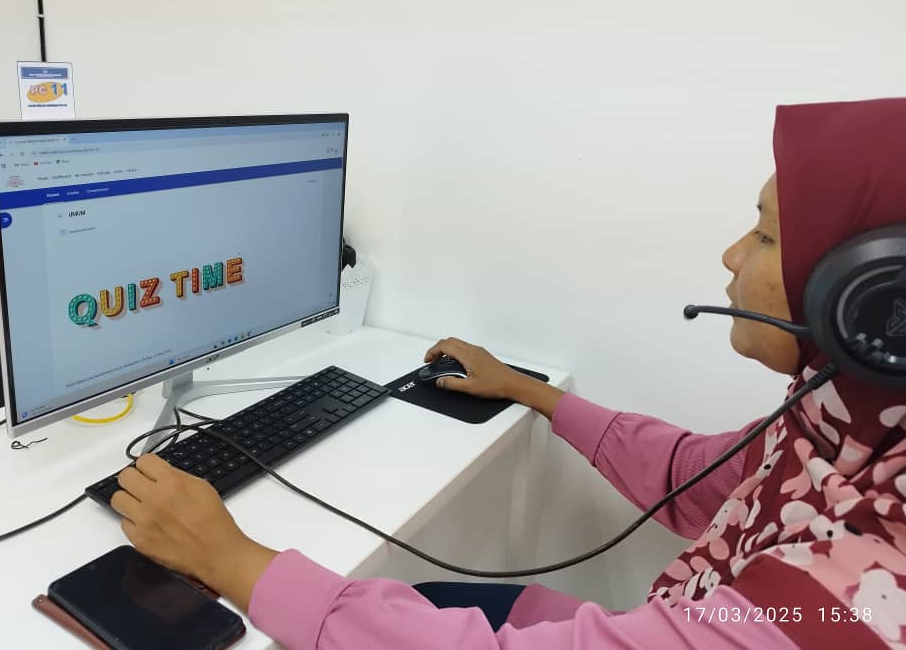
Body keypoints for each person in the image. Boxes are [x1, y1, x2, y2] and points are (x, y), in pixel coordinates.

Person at [111, 98, 906, 649]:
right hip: (671, 613)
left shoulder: (865, 593)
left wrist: (231, 560)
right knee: (413, 599)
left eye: (764, 237)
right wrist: (528, 390)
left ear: (874, 296)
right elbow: (699, 479)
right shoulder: (848, 429)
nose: (732, 256)